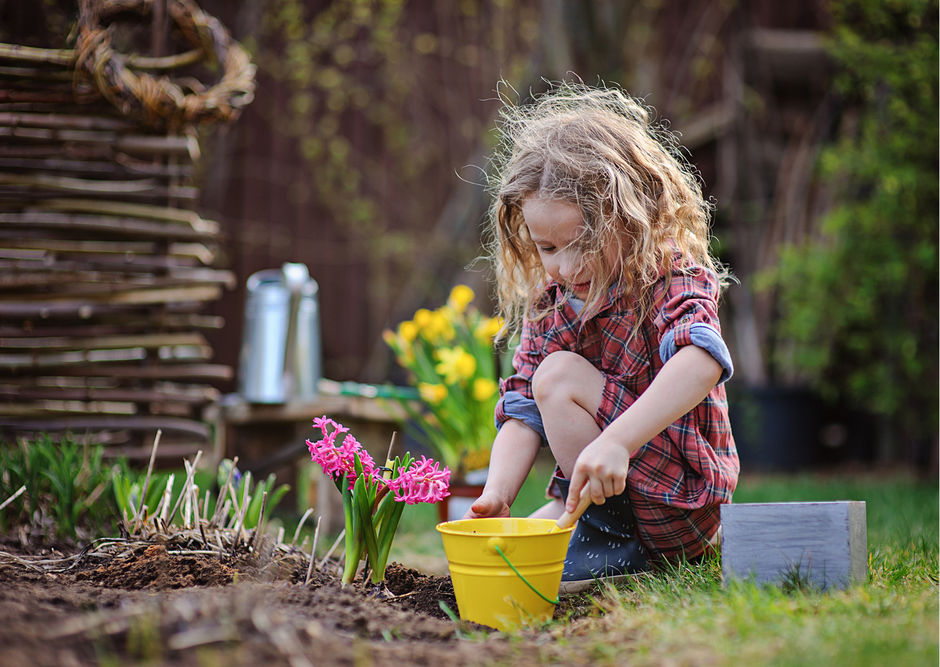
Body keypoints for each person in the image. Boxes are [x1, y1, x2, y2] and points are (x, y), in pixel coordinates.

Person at [463, 82, 739, 592]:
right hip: (608, 492)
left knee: (559, 376)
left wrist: (616, 441)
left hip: (679, 504)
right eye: (546, 247)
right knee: (513, 552)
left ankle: (614, 543)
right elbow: (522, 403)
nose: (565, 266)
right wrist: (497, 492)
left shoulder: (671, 274)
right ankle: (599, 530)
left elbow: (701, 359)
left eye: (583, 242)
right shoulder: (553, 300)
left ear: (631, 216)